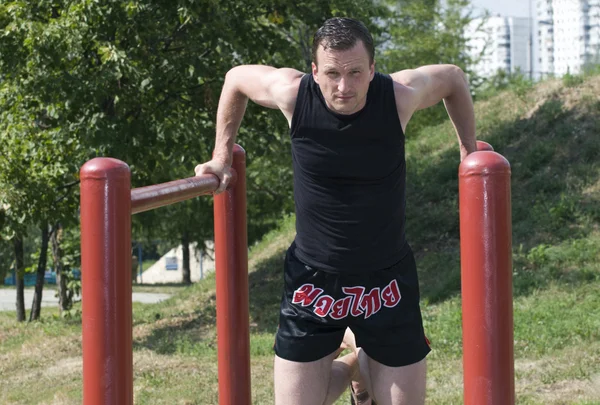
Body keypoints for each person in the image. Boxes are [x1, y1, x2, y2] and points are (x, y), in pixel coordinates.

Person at [195, 17, 477, 405]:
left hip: (387, 282)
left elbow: (453, 79)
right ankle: (353, 365)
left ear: (373, 69)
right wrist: (221, 156)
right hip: (312, 282)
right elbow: (236, 79)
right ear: (314, 70)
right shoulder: (293, 93)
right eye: (331, 73)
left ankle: (363, 355)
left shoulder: (397, 96)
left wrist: (468, 151)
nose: (343, 86)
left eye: (355, 73)